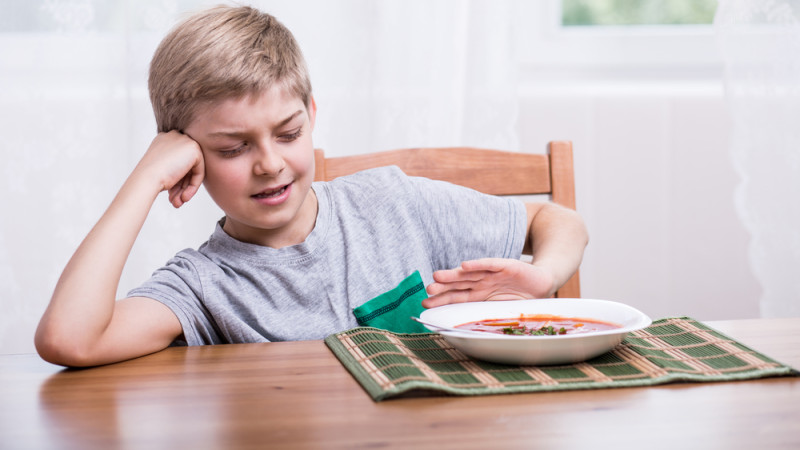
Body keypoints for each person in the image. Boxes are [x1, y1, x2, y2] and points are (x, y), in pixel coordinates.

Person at [35, 5, 588, 367]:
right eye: (233, 148)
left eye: (288, 133)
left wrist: (543, 276)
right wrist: (145, 178)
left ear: (312, 114)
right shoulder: (204, 285)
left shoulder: (391, 203)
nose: (270, 164)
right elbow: (69, 339)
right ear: (187, 156)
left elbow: (557, 221)